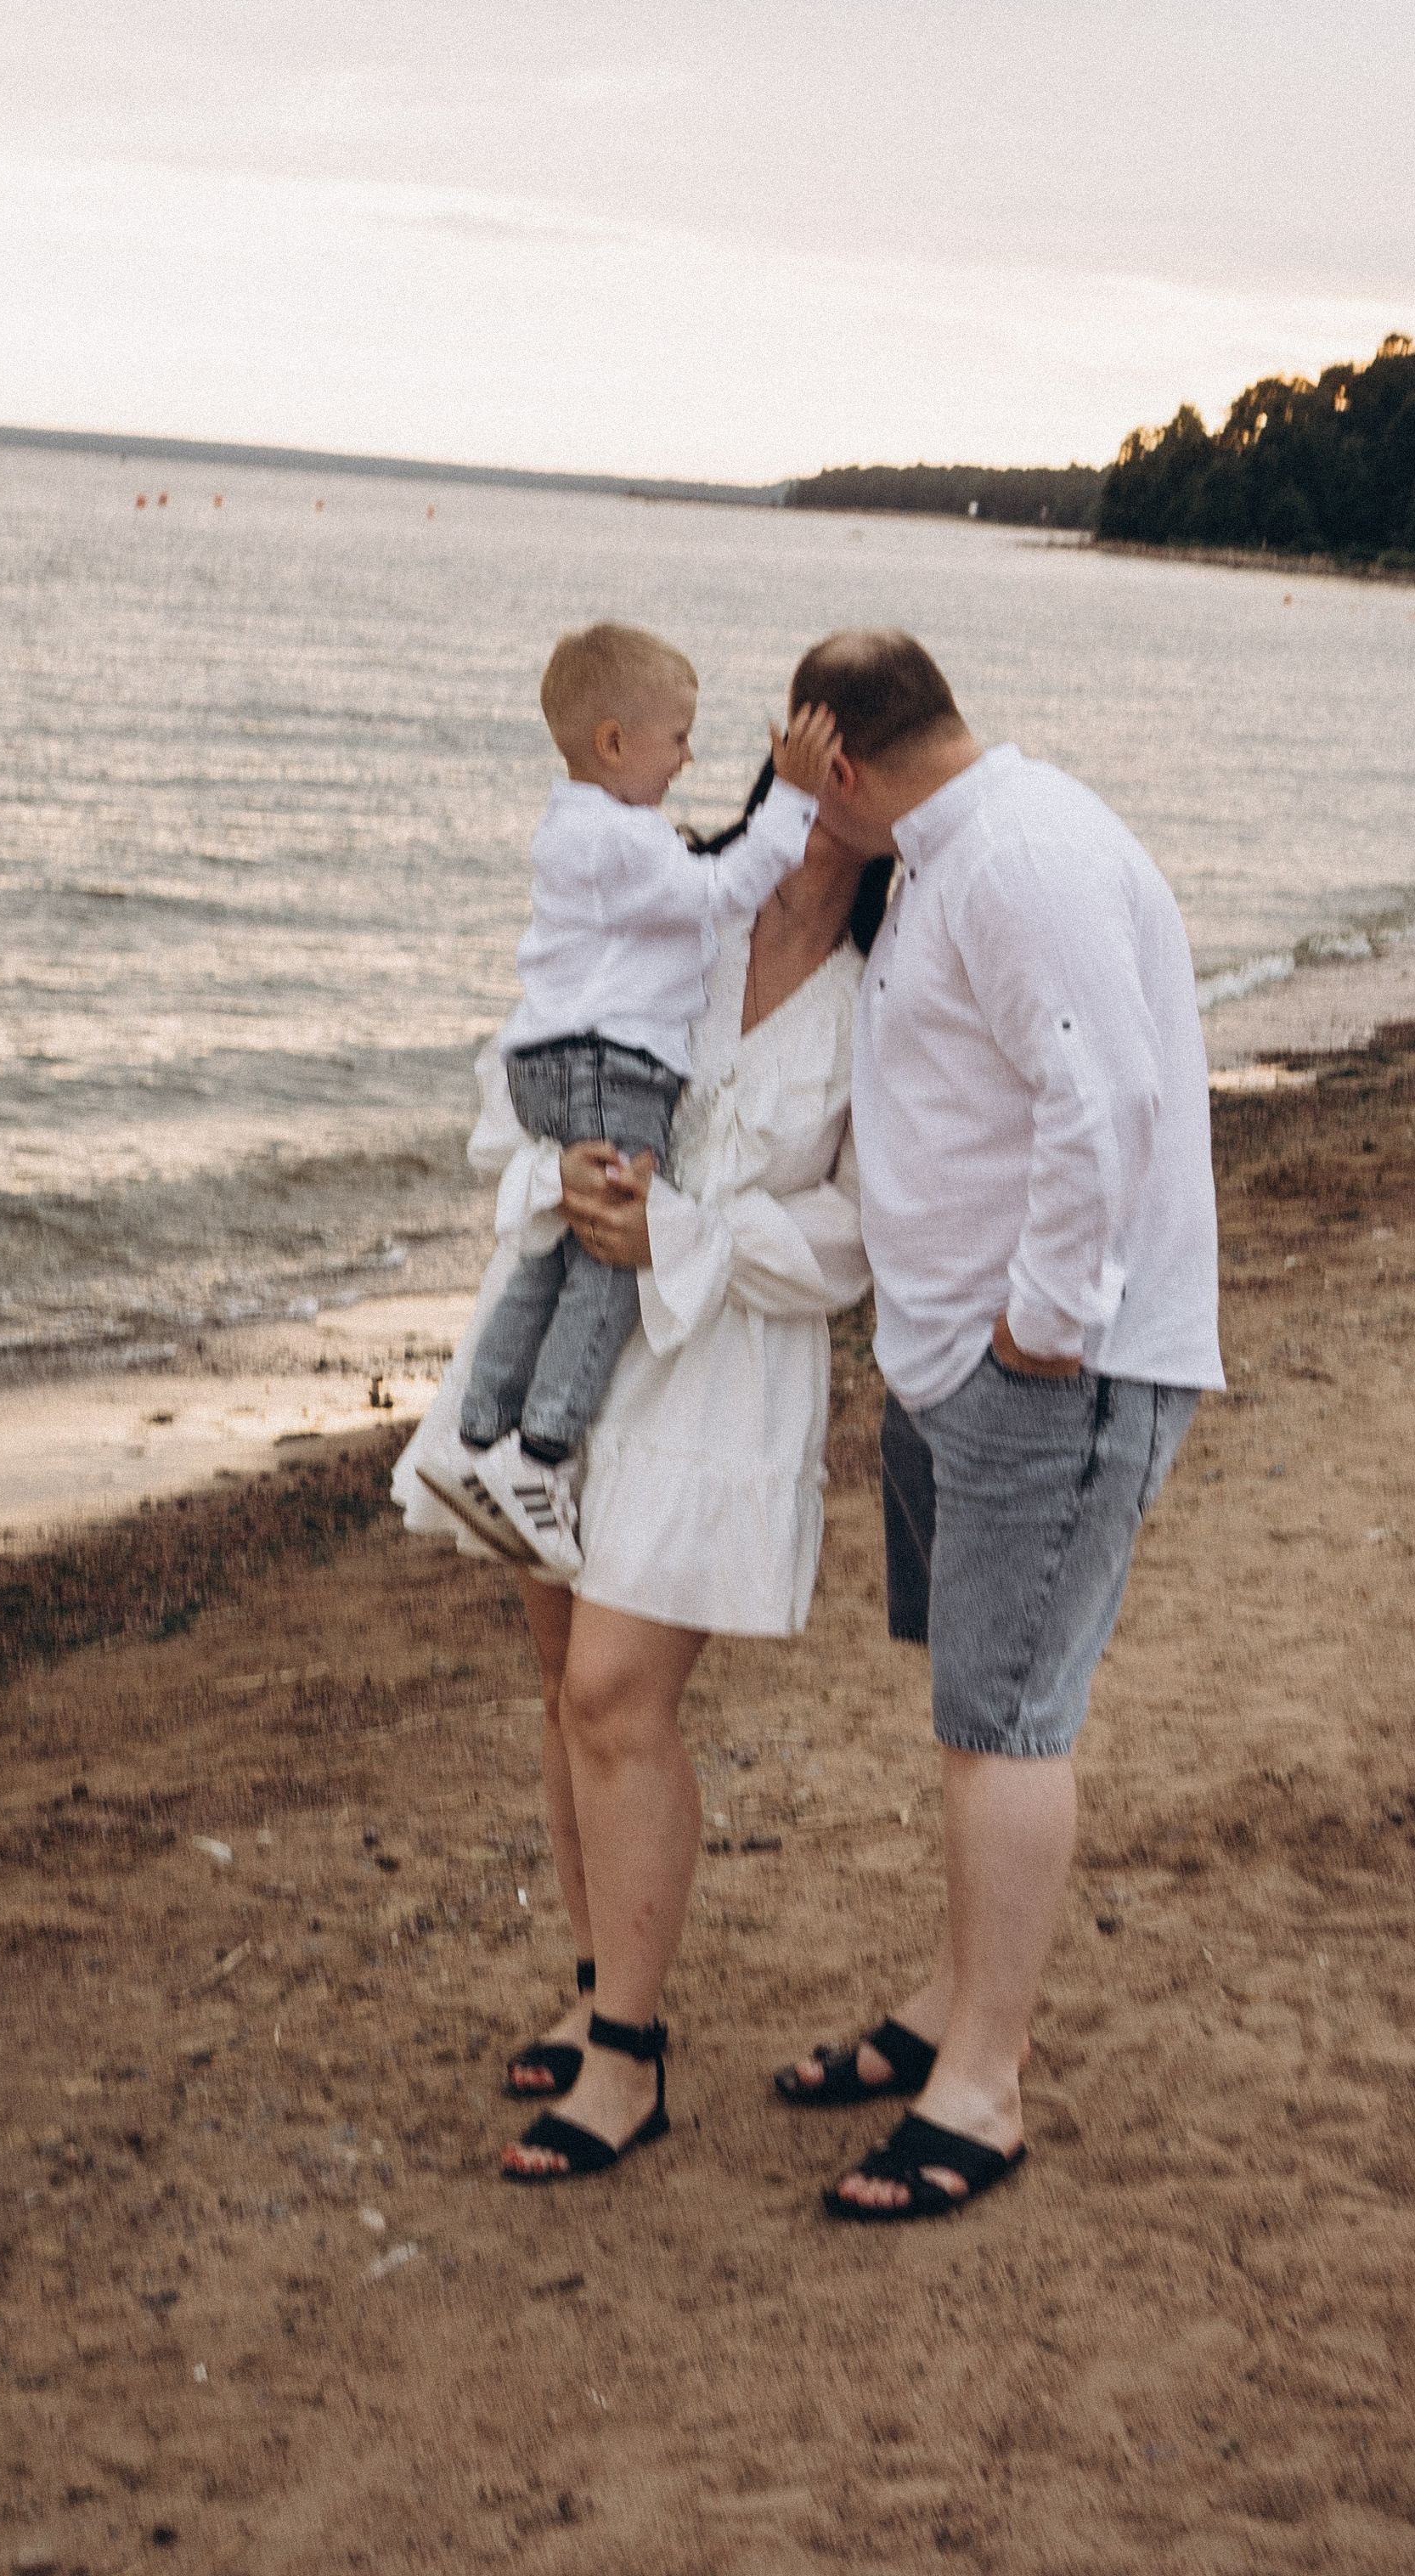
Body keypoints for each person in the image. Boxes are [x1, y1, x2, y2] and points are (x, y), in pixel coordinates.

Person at [772, 629, 1222, 2224]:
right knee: (973, 1710)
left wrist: (1043, 1326)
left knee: (1008, 1721)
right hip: (961, 1362)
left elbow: (1107, 1103)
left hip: (1045, 1369)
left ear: (840, 762)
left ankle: (983, 2086)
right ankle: (949, 2007)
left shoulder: (1020, 855)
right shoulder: (944, 853)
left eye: (803, 778)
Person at [394, 768, 888, 2179]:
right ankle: (599, 1978)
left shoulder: (888, 997)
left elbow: (863, 1236)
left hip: (720, 1373)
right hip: (568, 1345)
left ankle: (630, 2056)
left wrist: (683, 1235)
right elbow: (520, 1076)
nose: (835, 798)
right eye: (814, 767)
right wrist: (555, 1180)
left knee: (619, 1695)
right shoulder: (677, 913)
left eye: (862, 774)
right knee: (566, 1693)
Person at [415, 621, 839, 1577]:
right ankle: (538, 1455)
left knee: (557, 1248)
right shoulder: (620, 837)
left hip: (554, 1062)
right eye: (678, 737)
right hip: (611, 1068)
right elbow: (721, 891)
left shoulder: (576, 829)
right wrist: (794, 798)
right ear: (613, 742)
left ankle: (478, 1434)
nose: (689, 759)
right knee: (613, 1256)